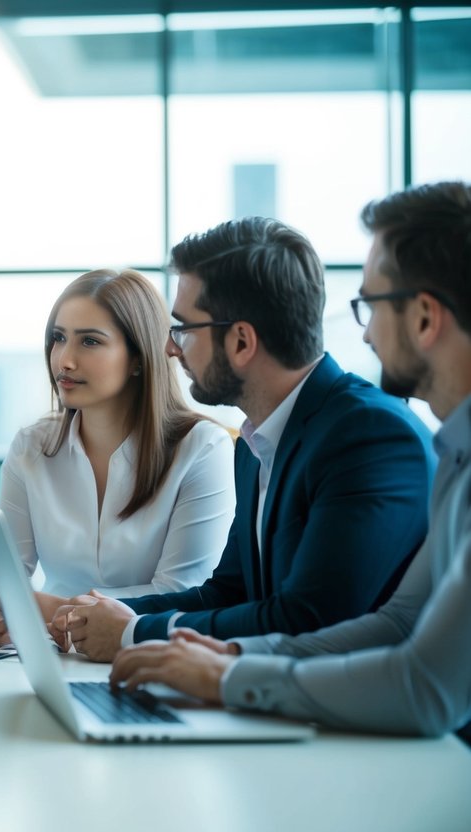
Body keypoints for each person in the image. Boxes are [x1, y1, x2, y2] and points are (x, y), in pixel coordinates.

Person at [109, 181, 471, 742]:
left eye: (371, 304)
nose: (366, 331)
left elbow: (418, 680)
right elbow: (399, 623)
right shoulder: (454, 453)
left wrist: (214, 669)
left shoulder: (374, 434)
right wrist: (223, 659)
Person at [54, 216, 435, 662]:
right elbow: (229, 593)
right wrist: (97, 615)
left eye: (184, 330)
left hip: (369, 723)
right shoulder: (254, 447)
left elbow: (310, 618)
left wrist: (133, 633)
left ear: (241, 342)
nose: (171, 349)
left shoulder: (368, 435)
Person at [0, 269, 235, 646]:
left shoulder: (202, 448)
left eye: (90, 342)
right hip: (51, 656)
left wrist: (36, 607)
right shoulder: (32, 447)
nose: (64, 360)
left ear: (138, 358)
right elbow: (11, 581)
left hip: (151, 658)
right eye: (58, 338)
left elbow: (181, 595)